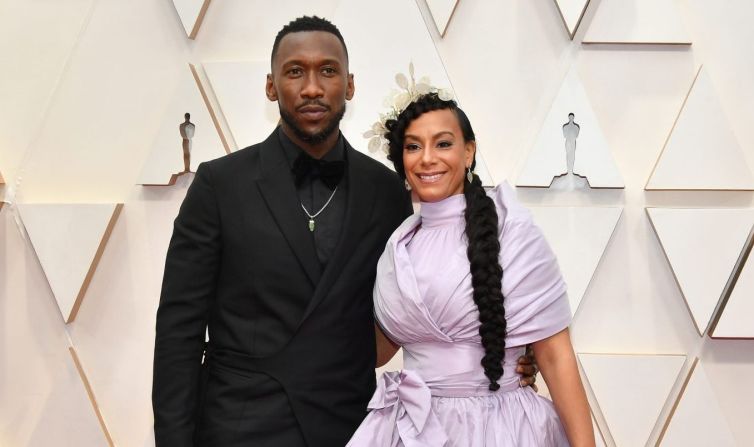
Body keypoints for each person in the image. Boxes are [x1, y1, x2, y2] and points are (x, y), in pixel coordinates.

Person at [152, 16, 537, 447]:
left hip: (352, 426)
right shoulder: (219, 185)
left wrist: (509, 353)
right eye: (295, 71)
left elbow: (434, 291)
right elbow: (178, 333)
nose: (312, 87)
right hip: (242, 424)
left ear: (350, 86)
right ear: (271, 86)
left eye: (328, 71)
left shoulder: (387, 189)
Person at [348, 91, 594, 446]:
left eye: (443, 143)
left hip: (503, 429)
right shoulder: (398, 246)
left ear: (468, 152)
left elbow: (555, 356)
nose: (427, 159)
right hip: (413, 429)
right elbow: (380, 351)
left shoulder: (512, 232)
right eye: (414, 147)